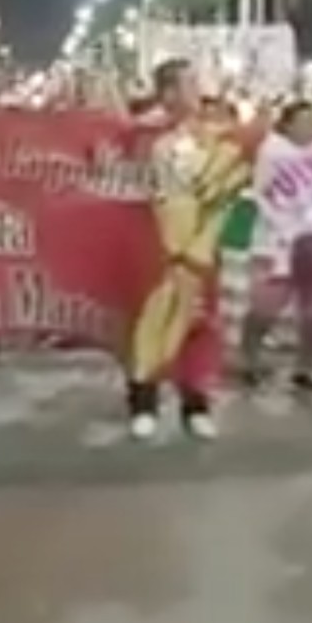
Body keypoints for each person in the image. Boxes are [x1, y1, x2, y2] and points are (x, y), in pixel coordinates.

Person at [128, 58, 239, 441]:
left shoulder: (211, 135)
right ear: (168, 92)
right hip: (153, 247)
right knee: (150, 324)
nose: (198, 90)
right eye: (190, 83)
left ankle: (196, 405)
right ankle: (144, 403)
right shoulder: (141, 135)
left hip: (199, 248)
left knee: (198, 322)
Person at [240, 100, 312, 392]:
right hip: (278, 241)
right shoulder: (273, 151)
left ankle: (305, 368)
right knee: (266, 307)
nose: (308, 128)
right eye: (302, 121)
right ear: (287, 125)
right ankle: (249, 359)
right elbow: (263, 194)